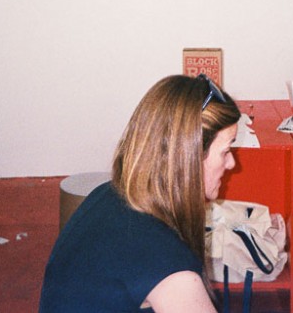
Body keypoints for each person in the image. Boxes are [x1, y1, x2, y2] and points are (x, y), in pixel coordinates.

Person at [39, 74, 241, 312]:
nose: (232, 163)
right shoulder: (170, 269)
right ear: (189, 158)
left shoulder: (107, 195)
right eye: (225, 151)